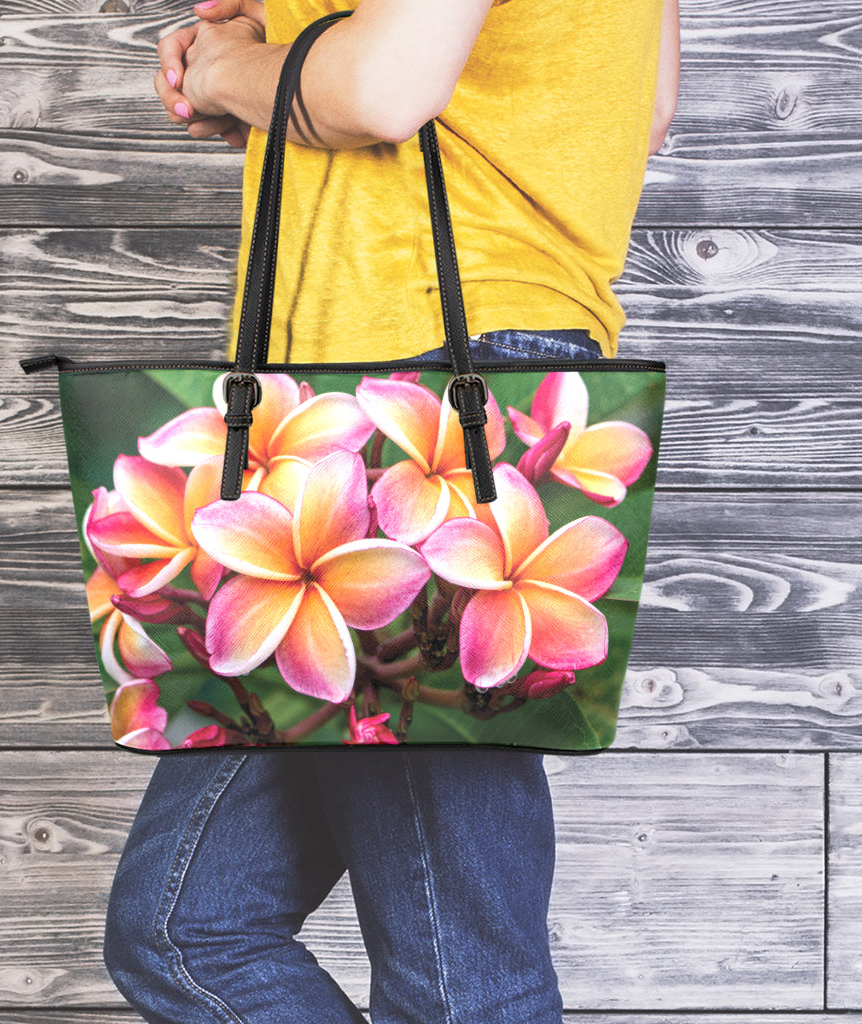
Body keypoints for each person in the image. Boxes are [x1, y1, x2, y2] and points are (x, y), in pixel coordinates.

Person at [102, 1, 680, 1021]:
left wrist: (229, 67)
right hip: (369, 410)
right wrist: (282, 68)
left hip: (425, 393)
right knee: (183, 928)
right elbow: (635, 106)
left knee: (462, 982)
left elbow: (382, 89)